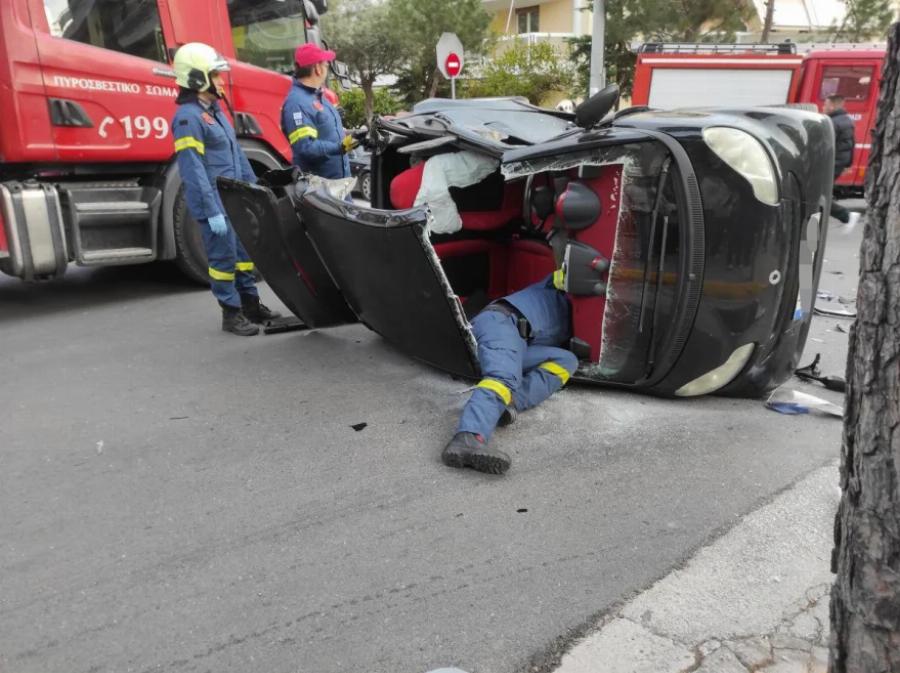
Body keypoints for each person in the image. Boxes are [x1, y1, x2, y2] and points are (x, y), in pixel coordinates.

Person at [171, 42, 280, 336]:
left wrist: (253, 190)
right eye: (215, 75)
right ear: (197, 79)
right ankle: (231, 315)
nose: (221, 81)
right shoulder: (187, 118)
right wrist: (210, 211)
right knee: (222, 260)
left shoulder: (216, 112)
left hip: (233, 199)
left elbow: (238, 156)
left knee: (243, 253)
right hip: (214, 203)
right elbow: (192, 170)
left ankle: (250, 305)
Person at [442, 275, 578, 475]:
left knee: (566, 360)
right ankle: (469, 437)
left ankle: (510, 402)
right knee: (502, 377)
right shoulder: (557, 285)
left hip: (521, 341)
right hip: (502, 323)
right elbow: (564, 273)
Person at [281, 43, 357, 179]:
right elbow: (306, 147)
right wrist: (339, 148)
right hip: (320, 191)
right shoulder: (296, 104)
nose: (327, 68)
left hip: (339, 185)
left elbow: (326, 133)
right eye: (326, 65)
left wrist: (354, 135)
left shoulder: (319, 97)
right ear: (317, 69)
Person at [824, 94, 860, 228]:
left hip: (832, 163)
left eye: (825, 105)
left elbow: (825, 145)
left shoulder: (832, 123)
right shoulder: (846, 120)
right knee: (820, 193)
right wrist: (848, 164)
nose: (823, 107)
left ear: (832, 106)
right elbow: (851, 144)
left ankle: (847, 216)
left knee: (819, 194)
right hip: (838, 163)